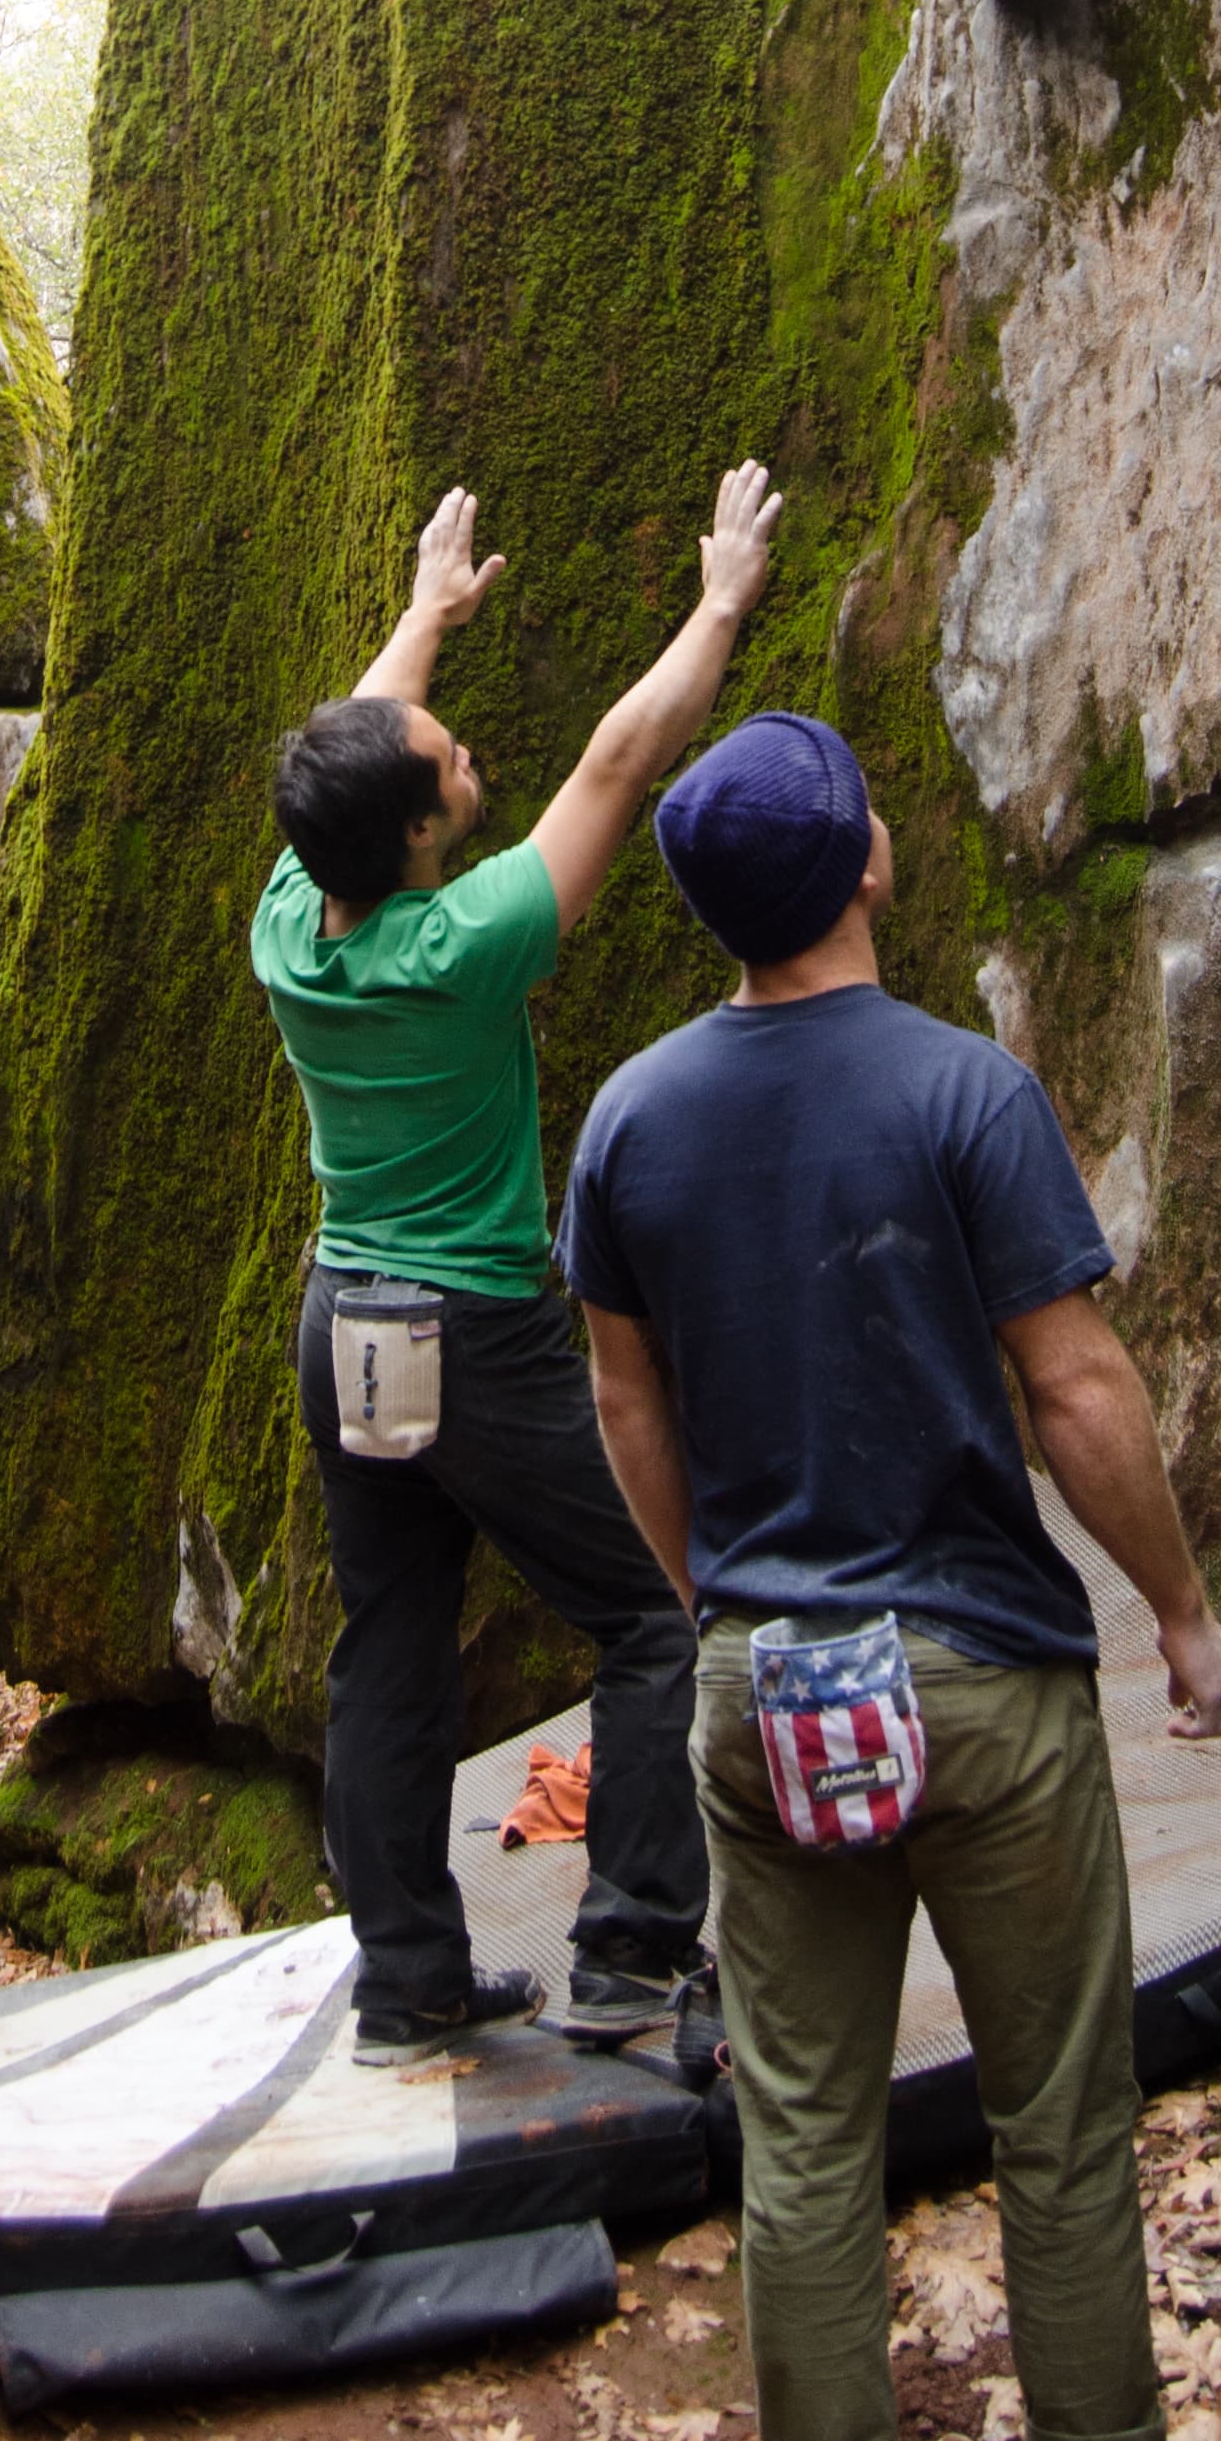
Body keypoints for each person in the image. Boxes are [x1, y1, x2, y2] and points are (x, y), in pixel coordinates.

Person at [558, 709, 1221, 2441]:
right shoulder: (965, 1091)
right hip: (982, 1679)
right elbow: (1079, 1386)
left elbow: (626, 1395)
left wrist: (722, 1607)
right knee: (1057, 2102)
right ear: (864, 858)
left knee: (801, 2114)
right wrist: (1181, 1616)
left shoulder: (630, 1117)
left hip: (768, 1681)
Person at [256, 463, 783, 2070]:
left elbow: (351, 750)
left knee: (390, 1642)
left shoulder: (297, 914)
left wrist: (425, 610)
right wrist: (720, 604)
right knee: (646, 1618)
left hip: (344, 1319)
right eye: (455, 765)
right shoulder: (466, 942)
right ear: (421, 836)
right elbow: (623, 761)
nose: (470, 754)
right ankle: (630, 1953)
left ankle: (408, 1978)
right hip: (474, 1331)